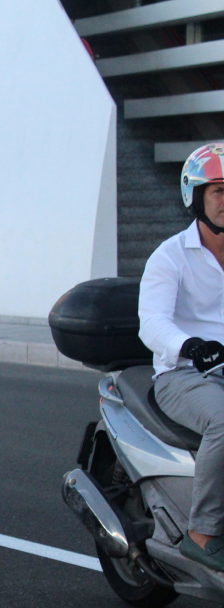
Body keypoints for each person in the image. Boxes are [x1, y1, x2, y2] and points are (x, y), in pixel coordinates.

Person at [139, 141, 224, 572]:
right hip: (184, 375)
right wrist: (191, 346)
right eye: (219, 191)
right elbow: (151, 323)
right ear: (196, 197)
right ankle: (202, 534)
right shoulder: (170, 256)